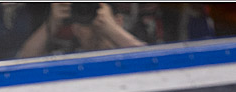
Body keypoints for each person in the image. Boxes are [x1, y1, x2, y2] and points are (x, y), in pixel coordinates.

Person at [16, 3, 145, 58]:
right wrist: (52, 23)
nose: (93, 25)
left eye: (99, 15)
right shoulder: (67, 59)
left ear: (118, 22)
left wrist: (114, 31)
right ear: (76, 29)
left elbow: (155, 63)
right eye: (86, 21)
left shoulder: (130, 55)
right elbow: (23, 61)